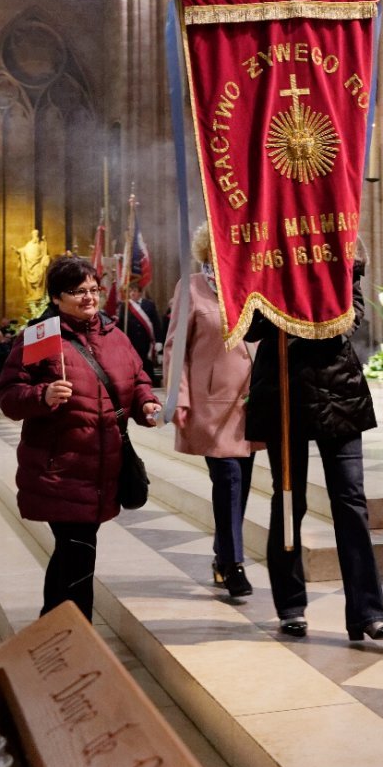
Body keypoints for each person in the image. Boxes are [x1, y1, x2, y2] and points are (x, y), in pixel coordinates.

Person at [245, 258, 383, 642]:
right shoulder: (264, 256)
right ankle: (290, 605)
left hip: (339, 388)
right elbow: (249, 327)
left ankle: (368, 613)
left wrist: (317, 310)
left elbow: (354, 314)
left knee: (351, 500)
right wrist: (280, 306)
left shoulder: (339, 251)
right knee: (289, 500)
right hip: (284, 386)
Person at [0, 255, 161, 621]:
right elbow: (9, 395)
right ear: (56, 297)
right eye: (77, 291)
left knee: (75, 553)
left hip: (104, 467)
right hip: (61, 468)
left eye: (93, 290)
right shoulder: (43, 337)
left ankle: (56, 631)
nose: (89, 298)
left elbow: (138, 382)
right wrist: (43, 396)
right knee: (79, 552)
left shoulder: (114, 336)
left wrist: (147, 405)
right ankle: (74, 634)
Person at [163, 222, 260, 598]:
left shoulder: (254, 284)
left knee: (243, 483)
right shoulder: (191, 286)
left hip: (250, 403)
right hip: (210, 404)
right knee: (229, 479)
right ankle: (235, 564)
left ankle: (222, 557)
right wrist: (179, 397)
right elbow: (175, 347)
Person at [118, 284, 163, 384]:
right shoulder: (125, 306)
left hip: (147, 342)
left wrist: (159, 341)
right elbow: (120, 325)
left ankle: (149, 384)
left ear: (140, 293)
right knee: (133, 364)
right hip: (131, 341)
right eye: (130, 291)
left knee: (147, 364)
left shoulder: (149, 305)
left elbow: (156, 324)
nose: (132, 293)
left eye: (134, 291)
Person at [13, 229, 51, 304]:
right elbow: (23, 250)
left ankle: (38, 293)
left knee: (39, 276)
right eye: (34, 234)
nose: (35, 236)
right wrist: (16, 250)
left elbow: (45, 253)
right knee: (32, 279)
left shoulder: (41, 244)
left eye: (37, 235)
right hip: (30, 266)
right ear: (32, 235)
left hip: (38, 265)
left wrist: (45, 241)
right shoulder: (29, 244)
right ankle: (33, 293)